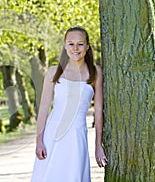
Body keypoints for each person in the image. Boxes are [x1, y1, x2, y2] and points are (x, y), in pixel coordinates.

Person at [31, 26, 107, 182]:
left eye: (80, 44)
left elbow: (98, 111)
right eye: (71, 44)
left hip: (76, 135)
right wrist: (39, 141)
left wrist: (98, 146)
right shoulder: (54, 72)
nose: (75, 48)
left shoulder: (95, 72)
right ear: (65, 46)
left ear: (87, 46)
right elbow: (44, 109)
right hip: (52, 135)